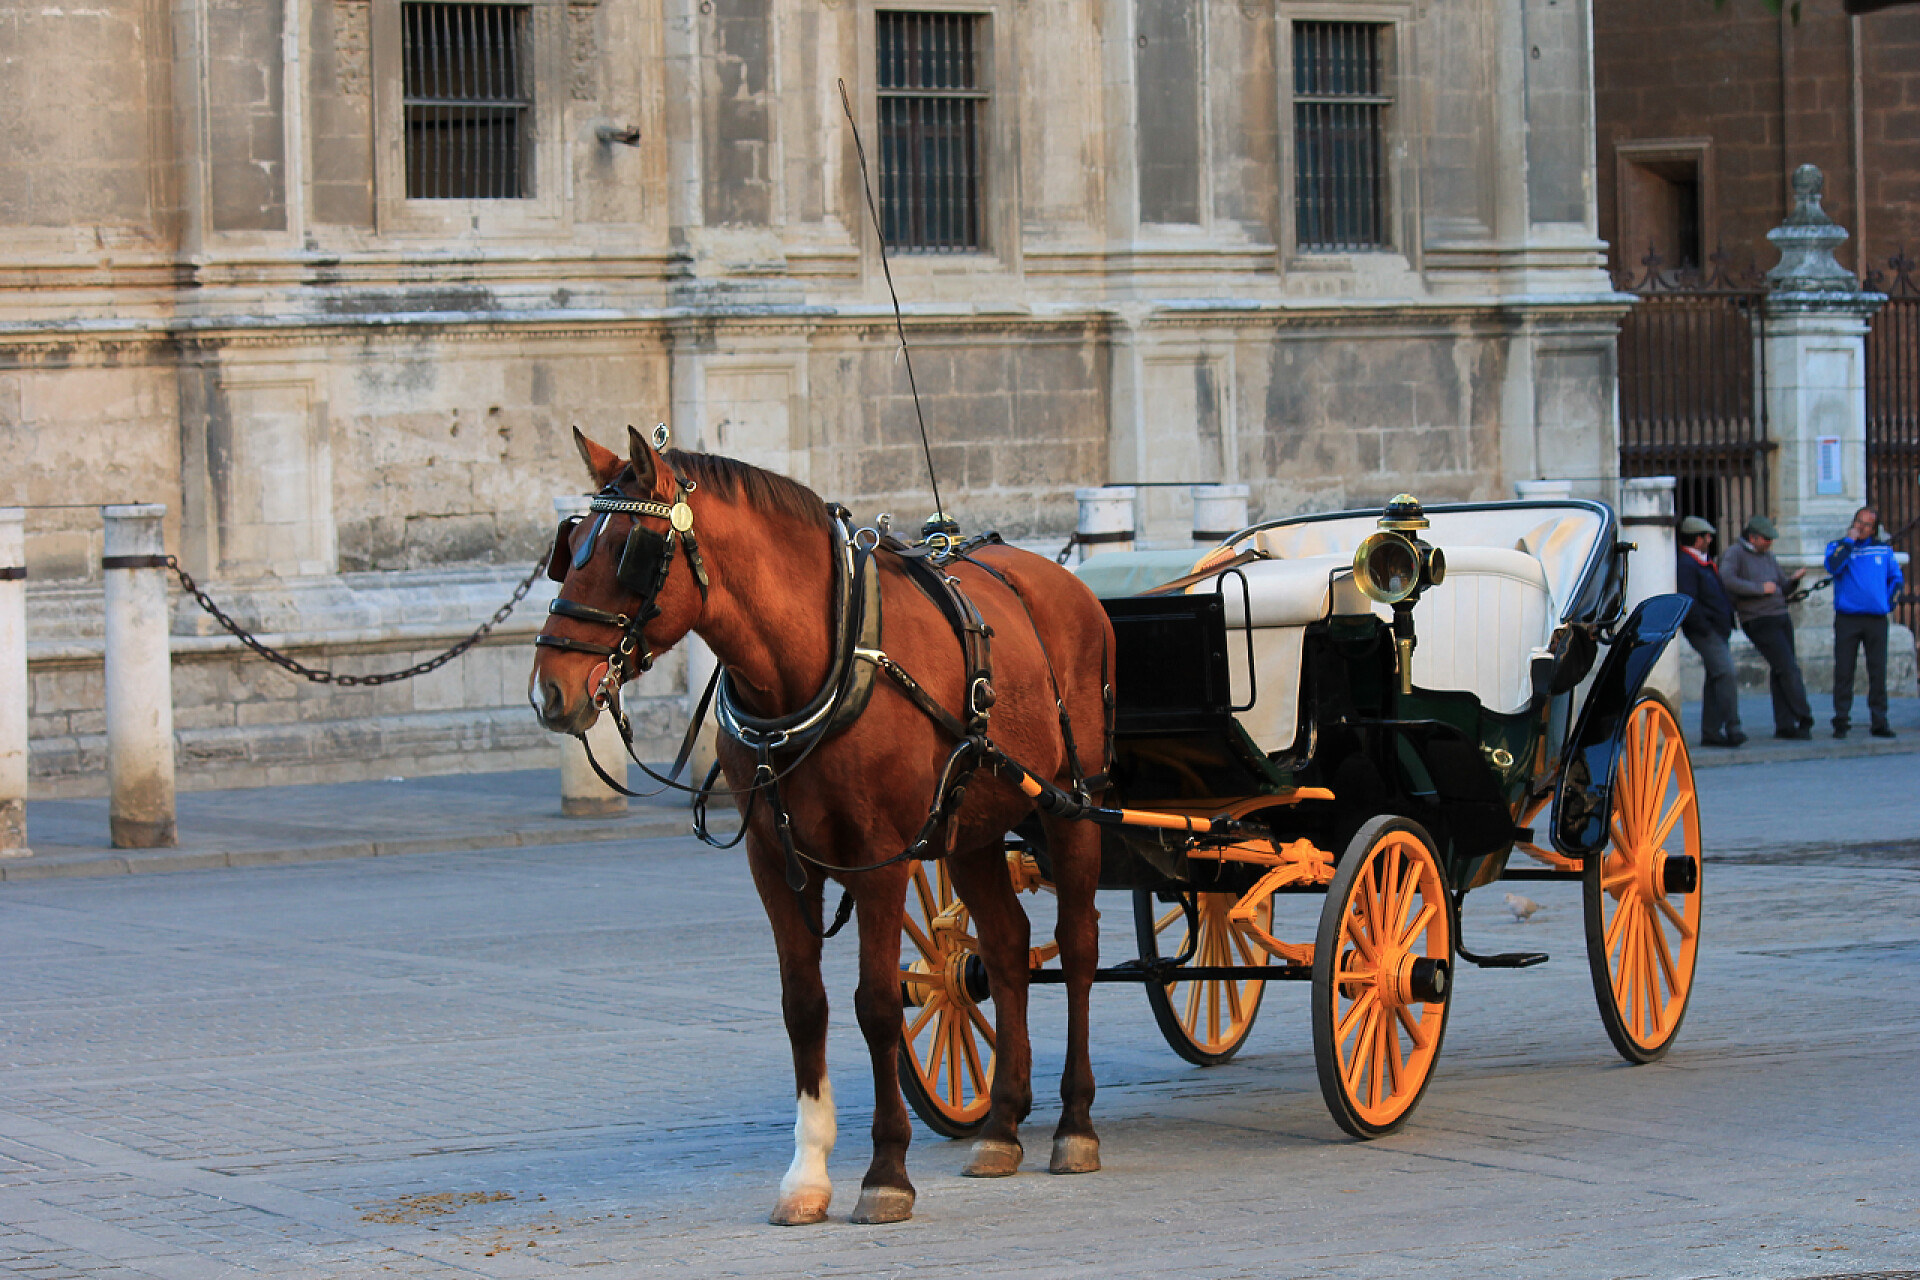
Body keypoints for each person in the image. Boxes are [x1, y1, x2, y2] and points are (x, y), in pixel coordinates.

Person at [1720, 514, 1814, 740]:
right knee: (1788, 668)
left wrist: (1793, 581)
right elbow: (1727, 579)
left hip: (1780, 615)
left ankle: (1785, 724)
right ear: (1752, 537)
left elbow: (1780, 585)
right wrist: (1759, 589)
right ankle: (1804, 717)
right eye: (1766, 539)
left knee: (1781, 669)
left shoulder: (1768, 555)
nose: (1770, 543)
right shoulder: (1735, 554)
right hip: (1758, 619)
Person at [1825, 506, 1903, 739]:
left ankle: (1879, 721)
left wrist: (1888, 603)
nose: (1861, 527)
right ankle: (1841, 720)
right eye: (1859, 521)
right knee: (1844, 671)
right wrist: (1849, 542)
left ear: (1874, 529)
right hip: (1848, 618)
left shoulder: (1883, 550)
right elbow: (1833, 566)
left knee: (1877, 671)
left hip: (1876, 620)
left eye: (1867, 524)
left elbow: (1896, 579)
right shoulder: (1838, 546)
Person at [1675, 516, 1744, 746]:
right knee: (1726, 674)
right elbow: (1690, 600)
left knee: (1716, 677)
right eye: (1707, 536)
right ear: (1697, 539)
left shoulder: (1700, 561)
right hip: (1706, 630)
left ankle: (1711, 731)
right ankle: (1733, 727)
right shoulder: (1687, 564)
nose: (1710, 539)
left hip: (1716, 628)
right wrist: (1704, 627)